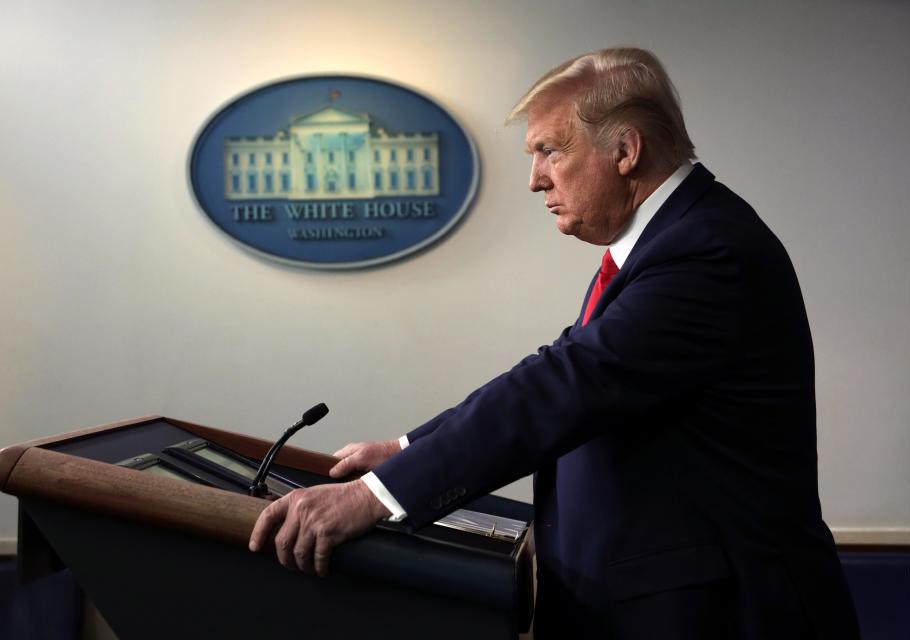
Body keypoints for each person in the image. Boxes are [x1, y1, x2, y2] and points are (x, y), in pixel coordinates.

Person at [250, 47, 860, 639]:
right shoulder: (667, 243)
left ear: (625, 150)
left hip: (724, 613)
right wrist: (404, 450)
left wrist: (375, 497)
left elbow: (566, 385)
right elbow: (555, 370)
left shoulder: (707, 251)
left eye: (549, 151)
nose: (535, 179)